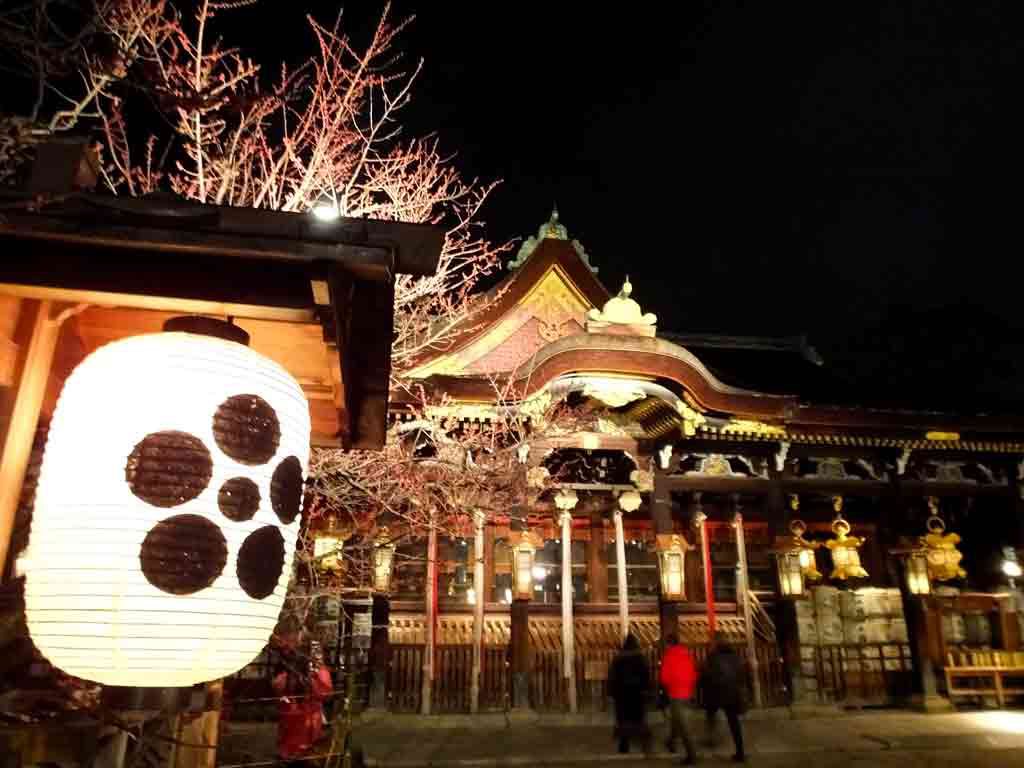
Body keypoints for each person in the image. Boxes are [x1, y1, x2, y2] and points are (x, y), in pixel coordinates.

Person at [272, 634, 334, 764]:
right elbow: (325, 693)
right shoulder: (292, 674)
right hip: (300, 719)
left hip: (302, 718)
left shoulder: (312, 673)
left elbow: (325, 692)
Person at [698, 642, 747, 763]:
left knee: (710, 715)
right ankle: (740, 752)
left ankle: (711, 739)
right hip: (732, 694)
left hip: (717, 694)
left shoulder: (713, 658)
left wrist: (702, 686)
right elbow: (742, 675)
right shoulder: (736, 658)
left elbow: (707, 675)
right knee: (734, 724)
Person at [608, 633, 652, 754]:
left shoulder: (618, 659)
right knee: (638, 719)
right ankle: (644, 746)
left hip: (622, 695)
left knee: (623, 720)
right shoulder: (640, 659)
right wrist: (646, 690)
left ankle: (624, 745)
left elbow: (612, 677)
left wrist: (611, 693)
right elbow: (646, 676)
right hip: (637, 694)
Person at [659, 634, 698, 765]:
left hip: (676, 693)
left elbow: (664, 678)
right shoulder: (687, 654)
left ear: (668, 644)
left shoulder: (669, 656)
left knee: (683, 726)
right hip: (688, 692)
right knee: (676, 719)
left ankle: (691, 755)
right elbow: (694, 673)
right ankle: (671, 742)